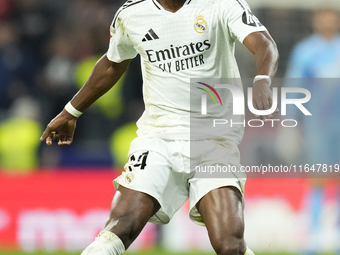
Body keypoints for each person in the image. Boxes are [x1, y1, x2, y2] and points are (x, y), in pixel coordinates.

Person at [40, 0, 278, 254]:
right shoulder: (132, 14)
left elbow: (264, 43)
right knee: (119, 228)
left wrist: (262, 80)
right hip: (159, 138)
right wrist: (71, 112)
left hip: (214, 141)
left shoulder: (221, 4)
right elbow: (112, 63)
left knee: (230, 245)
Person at [285, 8, 340, 255]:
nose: (328, 20)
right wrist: (289, 125)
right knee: (317, 179)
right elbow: (294, 88)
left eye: (332, 15)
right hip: (317, 126)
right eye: (323, 16)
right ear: (314, 20)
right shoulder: (306, 51)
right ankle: (314, 238)